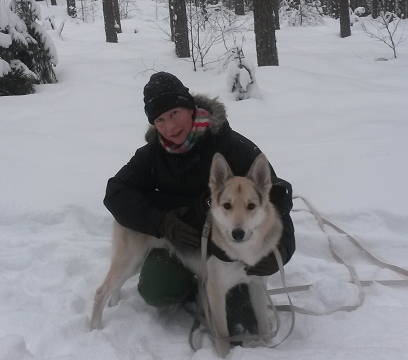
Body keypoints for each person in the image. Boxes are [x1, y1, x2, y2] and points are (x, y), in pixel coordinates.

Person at [104, 72, 295, 335]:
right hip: (178, 247)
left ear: (190, 107)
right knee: (158, 291)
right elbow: (115, 193)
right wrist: (160, 222)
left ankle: (224, 288)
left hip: (227, 254)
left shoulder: (231, 146)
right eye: (160, 120)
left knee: (243, 326)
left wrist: (282, 248)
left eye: (174, 113)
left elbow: (276, 197)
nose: (170, 126)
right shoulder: (152, 155)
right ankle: (194, 289)